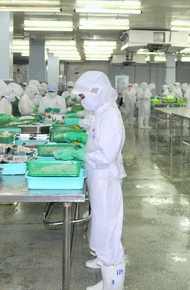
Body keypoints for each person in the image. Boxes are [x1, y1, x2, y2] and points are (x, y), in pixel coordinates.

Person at [59, 71, 126, 290]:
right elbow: (94, 131)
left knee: (108, 232)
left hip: (105, 178)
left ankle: (113, 283)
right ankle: (105, 270)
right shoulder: (102, 110)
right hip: (98, 177)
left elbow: (106, 156)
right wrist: (82, 136)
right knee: (101, 223)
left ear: (96, 92)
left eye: (83, 96)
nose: (81, 100)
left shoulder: (110, 116)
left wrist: (82, 155)